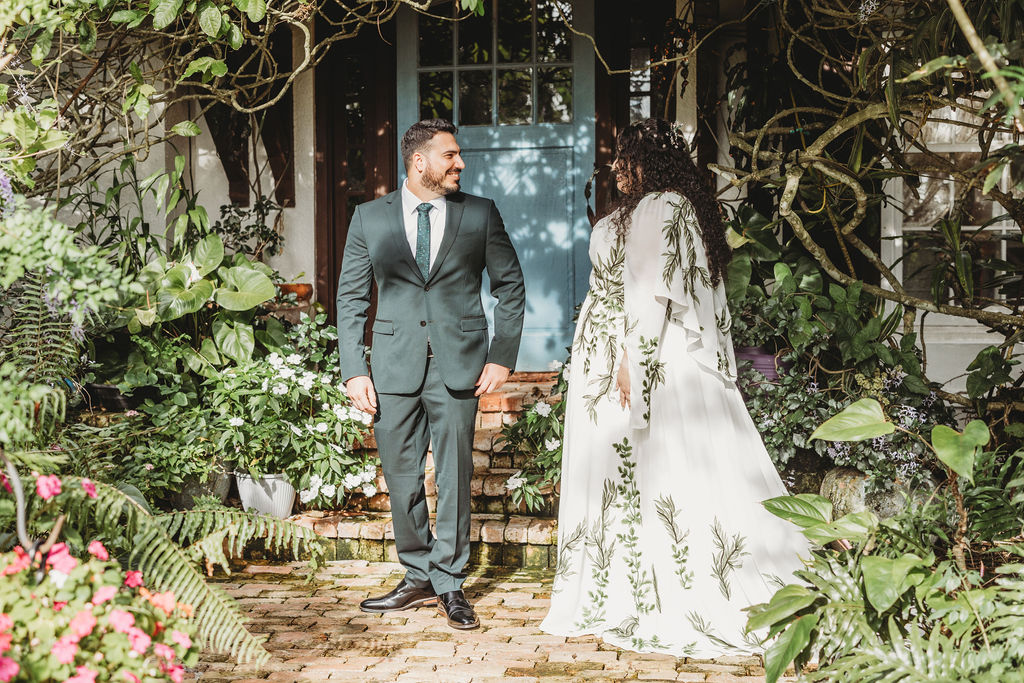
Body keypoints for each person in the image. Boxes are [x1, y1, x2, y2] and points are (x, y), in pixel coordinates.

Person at [540, 118, 807, 656]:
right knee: (638, 469)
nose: (615, 166)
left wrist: (628, 363)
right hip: (628, 352)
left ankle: (648, 589)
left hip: (631, 354)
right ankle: (641, 581)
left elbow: (650, 296)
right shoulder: (669, 207)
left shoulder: (660, 207)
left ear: (648, 160)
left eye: (623, 156)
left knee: (642, 467)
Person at [336, 118, 526, 630]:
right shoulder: (368, 218)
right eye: (451, 155)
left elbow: (510, 286)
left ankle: (449, 581)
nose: (460, 163)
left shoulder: (480, 214)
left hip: (459, 364)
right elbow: (352, 296)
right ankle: (417, 574)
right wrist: (354, 368)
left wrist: (502, 355)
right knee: (401, 479)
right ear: (420, 161)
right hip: (393, 366)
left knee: (455, 474)